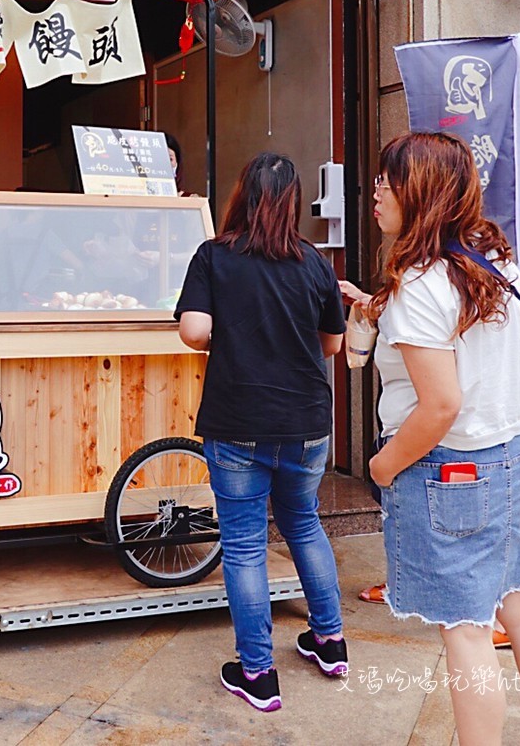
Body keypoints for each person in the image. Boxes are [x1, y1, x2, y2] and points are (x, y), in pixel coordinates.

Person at [344, 131, 520, 746]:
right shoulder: (493, 263)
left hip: (448, 469)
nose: (376, 192)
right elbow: (510, 358)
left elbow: (441, 405)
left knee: (466, 629)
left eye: (385, 182)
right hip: (512, 453)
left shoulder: (419, 285)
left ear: (416, 191)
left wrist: (384, 465)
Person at [174, 152, 348, 712]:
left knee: (246, 548)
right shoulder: (315, 263)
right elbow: (332, 346)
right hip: (306, 424)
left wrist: (233, 331)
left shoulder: (214, 256)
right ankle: (329, 640)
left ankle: (258, 673)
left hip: (239, 422)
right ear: (293, 199)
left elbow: (193, 332)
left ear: (242, 195)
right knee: (304, 524)